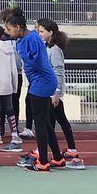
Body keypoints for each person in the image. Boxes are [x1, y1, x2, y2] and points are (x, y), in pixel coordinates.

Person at [5, 9, 62, 172]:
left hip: (42, 82)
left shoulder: (31, 38)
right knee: (44, 121)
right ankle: (57, 158)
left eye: (9, 29)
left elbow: (35, 61)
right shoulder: (23, 39)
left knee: (40, 124)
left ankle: (43, 161)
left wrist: (28, 67)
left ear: (17, 27)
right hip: (40, 81)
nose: (8, 33)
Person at [36, 17, 81, 163]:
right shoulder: (47, 46)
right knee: (58, 119)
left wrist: (56, 92)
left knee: (49, 121)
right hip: (49, 90)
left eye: (42, 31)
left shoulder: (54, 50)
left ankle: (45, 150)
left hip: (53, 92)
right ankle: (71, 149)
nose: (39, 33)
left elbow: (58, 71)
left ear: (50, 32)